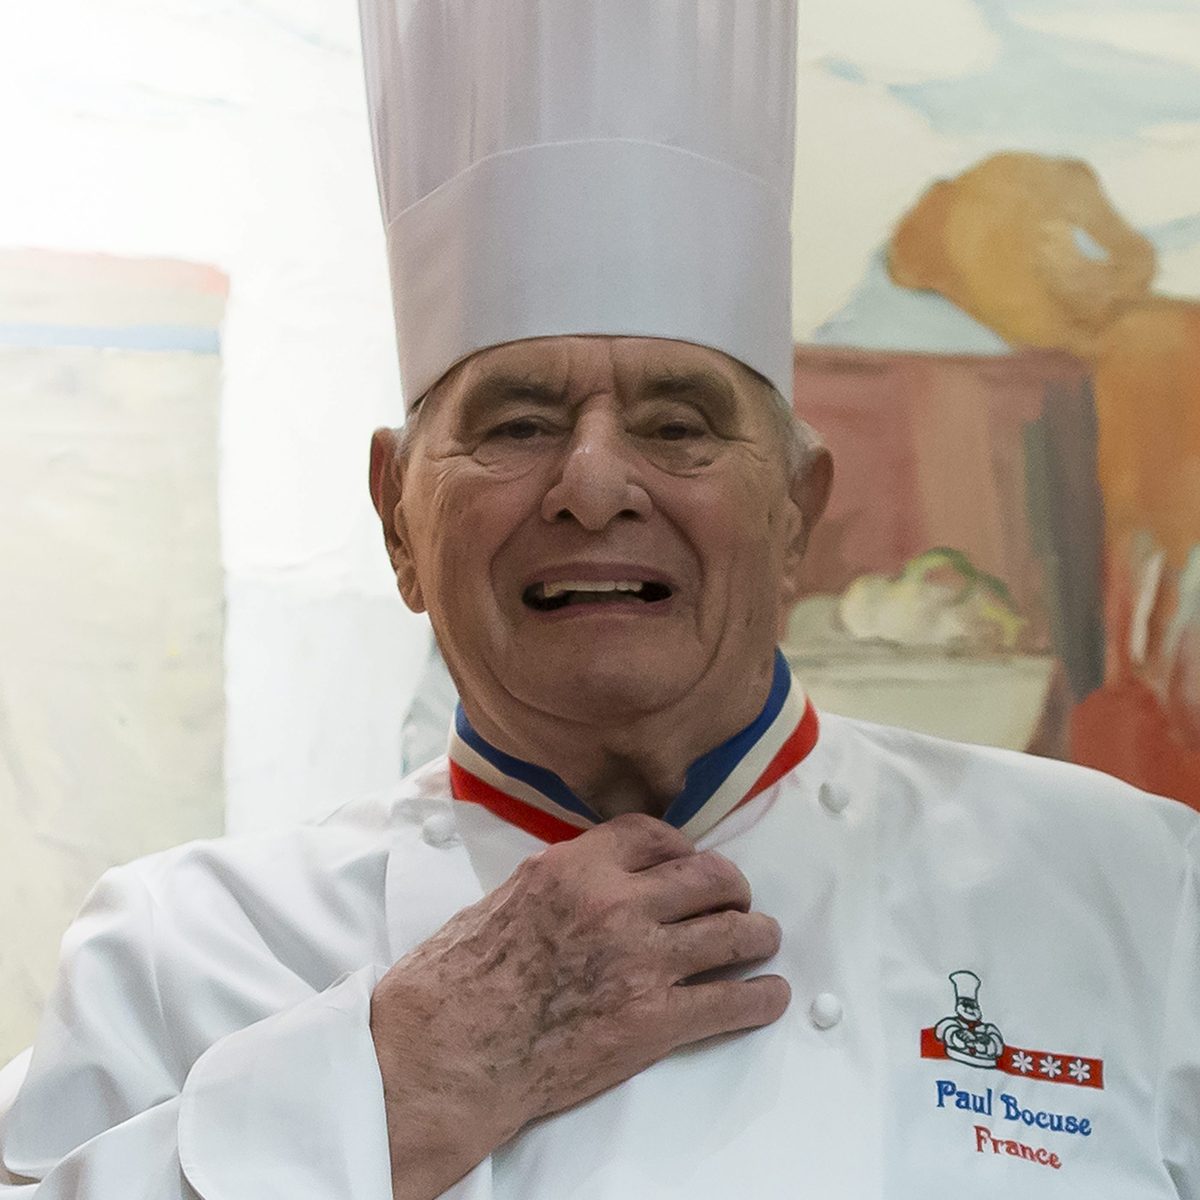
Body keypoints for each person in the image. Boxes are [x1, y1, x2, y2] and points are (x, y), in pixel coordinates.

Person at [2, 1, 1198, 1196]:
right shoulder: (187, 949)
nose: (592, 485)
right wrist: (395, 1080)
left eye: (679, 425)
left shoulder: (1137, 893)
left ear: (796, 514)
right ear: (396, 518)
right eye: (516, 423)